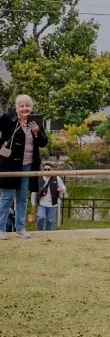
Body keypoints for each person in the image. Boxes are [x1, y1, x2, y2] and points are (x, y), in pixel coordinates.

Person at [0, 94, 48, 240]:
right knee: (7, 197)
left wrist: (37, 133)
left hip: (28, 165)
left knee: (22, 198)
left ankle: (20, 228)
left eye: (27, 106)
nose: (25, 108)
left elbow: (43, 143)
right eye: (22, 106)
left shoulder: (36, 123)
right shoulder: (8, 119)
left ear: (31, 108)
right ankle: (1, 229)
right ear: (17, 108)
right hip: (10, 166)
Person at [31, 163, 66, 231]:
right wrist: (33, 202)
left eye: (49, 169)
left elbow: (64, 188)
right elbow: (34, 191)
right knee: (40, 218)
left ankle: (48, 234)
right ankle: (40, 232)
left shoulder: (57, 178)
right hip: (41, 204)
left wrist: (61, 189)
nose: (47, 171)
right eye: (45, 169)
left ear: (52, 170)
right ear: (43, 170)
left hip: (52, 204)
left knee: (50, 221)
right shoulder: (39, 178)